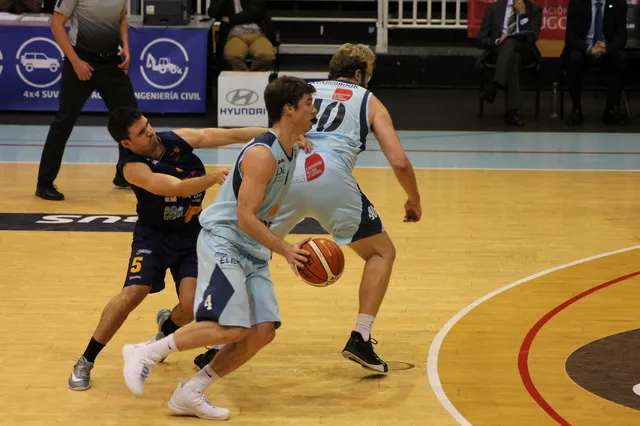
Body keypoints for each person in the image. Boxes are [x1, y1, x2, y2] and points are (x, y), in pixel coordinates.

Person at [194, 43, 422, 374]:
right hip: (329, 176)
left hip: (286, 167)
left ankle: (216, 342)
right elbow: (399, 161)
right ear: (359, 74)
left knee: (244, 249)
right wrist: (413, 199)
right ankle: (360, 336)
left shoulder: (304, 92)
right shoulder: (368, 99)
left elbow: (273, 133)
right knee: (381, 253)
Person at [120, 76, 316, 420]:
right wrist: (286, 249)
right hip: (225, 239)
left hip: (252, 247)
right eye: (309, 104)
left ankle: (190, 393)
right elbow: (245, 217)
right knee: (232, 328)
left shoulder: (289, 145)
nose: (314, 110)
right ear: (289, 110)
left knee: (263, 331)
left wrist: (297, 137)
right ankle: (145, 351)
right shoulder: (262, 155)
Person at [67, 106, 268, 391]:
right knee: (133, 293)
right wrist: (212, 178)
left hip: (190, 235)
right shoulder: (132, 168)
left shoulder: (175, 140)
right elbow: (174, 188)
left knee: (191, 305)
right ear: (126, 143)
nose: (149, 132)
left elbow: (232, 135)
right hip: (153, 236)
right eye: (141, 132)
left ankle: (165, 330)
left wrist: (277, 135)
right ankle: (86, 360)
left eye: (147, 124)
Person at [36, 0, 138, 201]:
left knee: (131, 119)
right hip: (81, 61)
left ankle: (124, 174)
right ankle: (44, 183)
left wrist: (126, 47)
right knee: (64, 122)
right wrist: (76, 62)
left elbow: (121, 19)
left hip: (111, 62)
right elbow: (56, 24)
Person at [476, 0, 542, 127]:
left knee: (510, 41)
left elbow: (531, 38)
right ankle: (511, 113)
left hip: (524, 51)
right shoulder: (494, 8)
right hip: (500, 53)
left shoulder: (535, 10)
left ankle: (493, 87)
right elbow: (480, 39)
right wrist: (497, 41)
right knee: (513, 57)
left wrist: (523, 15)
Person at [564, 0, 628, 125]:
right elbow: (571, 37)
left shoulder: (618, 3)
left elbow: (621, 37)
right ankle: (576, 109)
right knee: (574, 59)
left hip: (606, 49)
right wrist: (588, 48)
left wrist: (606, 48)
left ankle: (610, 109)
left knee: (621, 58)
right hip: (584, 48)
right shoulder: (577, 3)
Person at [207, 0, 276, 71]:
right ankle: (245, 76)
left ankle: (253, 75)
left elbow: (255, 13)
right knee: (232, 55)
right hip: (235, 35)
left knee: (267, 55)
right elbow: (212, 12)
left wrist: (231, 19)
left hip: (257, 34)